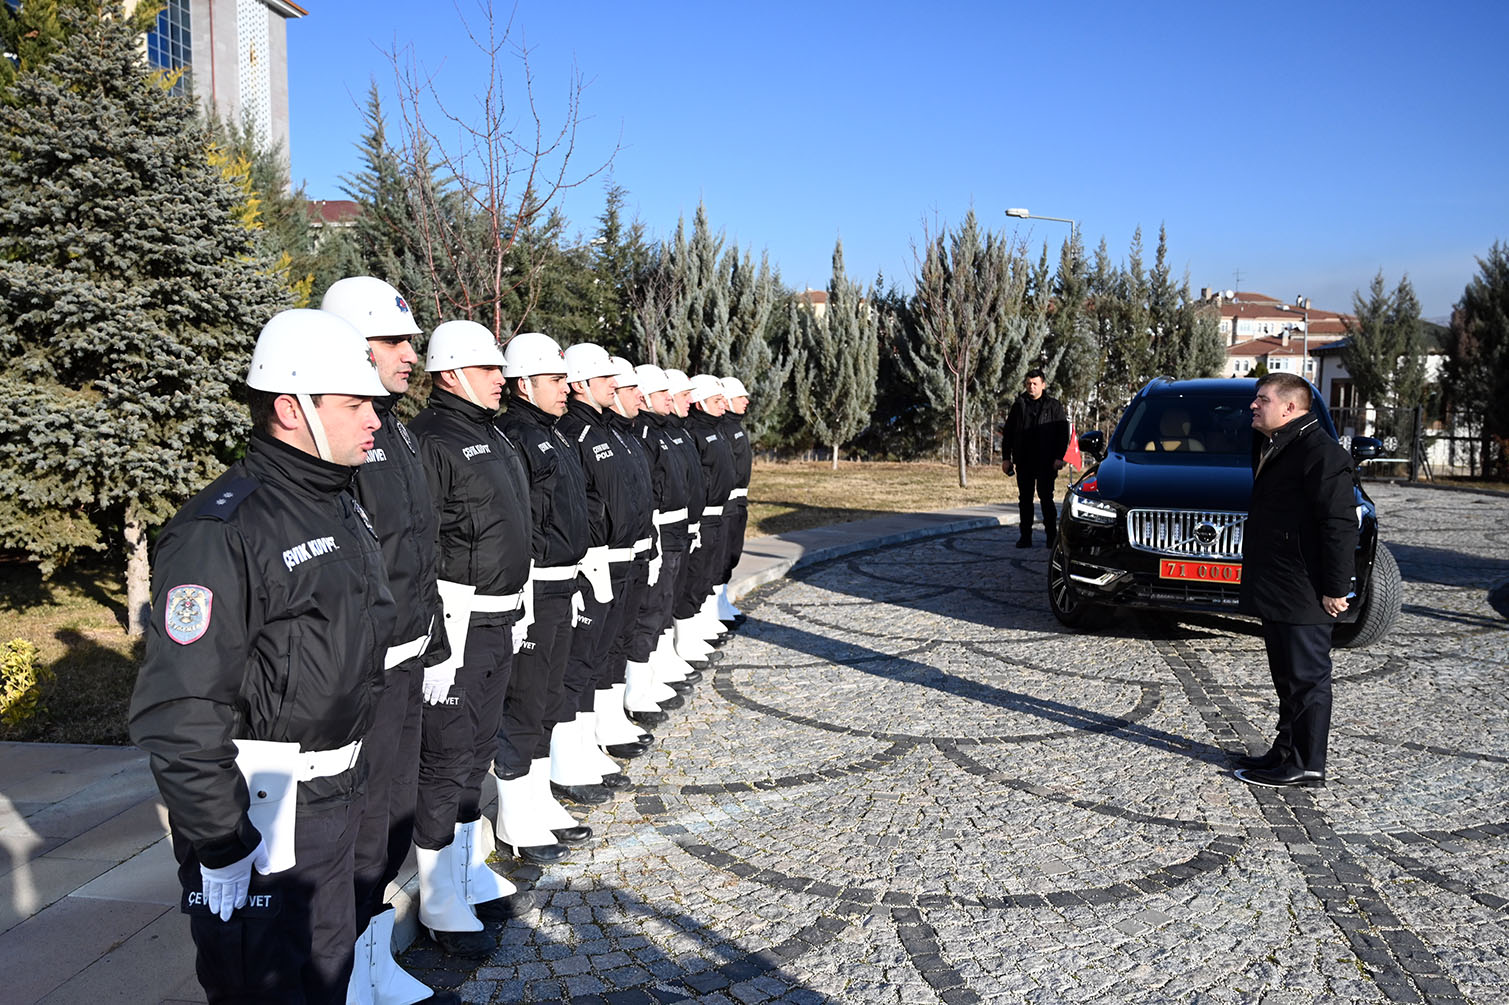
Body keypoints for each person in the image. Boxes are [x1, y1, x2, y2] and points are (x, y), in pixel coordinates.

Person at [129, 309, 395, 1004]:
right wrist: (220, 840)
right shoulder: (221, 529)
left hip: (336, 796)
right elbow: (182, 705)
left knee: (327, 974)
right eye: (355, 402)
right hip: (264, 813)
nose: (376, 418)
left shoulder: (337, 502)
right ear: (290, 407)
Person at [319, 277, 457, 1001]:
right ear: (352, 345)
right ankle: (345, 976)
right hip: (366, 668)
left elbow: (418, 546)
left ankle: (374, 962)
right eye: (395, 342)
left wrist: (431, 641)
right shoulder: (343, 436)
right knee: (361, 824)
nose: (411, 354)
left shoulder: (392, 427)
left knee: (392, 815)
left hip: (407, 654)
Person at [406, 319, 536, 956]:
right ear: (453, 372)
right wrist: (435, 635)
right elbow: (422, 543)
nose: (501, 380)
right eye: (489, 370)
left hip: (498, 617)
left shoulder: (490, 434)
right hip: (458, 624)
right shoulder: (431, 438)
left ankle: (461, 873)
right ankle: (435, 894)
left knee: (476, 750)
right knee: (447, 757)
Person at [1234, 373, 1358, 788]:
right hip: (1279, 584)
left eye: (1262, 400)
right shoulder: (1274, 444)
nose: (1254, 405)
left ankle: (1307, 763)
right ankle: (1285, 751)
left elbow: (1339, 525)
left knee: (1308, 680)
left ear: (1290, 408)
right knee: (1286, 677)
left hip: (1306, 587)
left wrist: (1336, 587)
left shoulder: (1321, 453)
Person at [493, 332, 590, 861]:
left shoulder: (552, 433)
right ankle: (514, 814)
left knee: (549, 697)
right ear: (524, 384)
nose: (566, 389)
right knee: (525, 702)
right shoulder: (516, 436)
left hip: (562, 580)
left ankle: (538, 796)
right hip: (535, 584)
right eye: (556, 381)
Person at [1001, 369, 1070, 549]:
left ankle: (1051, 537)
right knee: (1025, 499)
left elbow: (1063, 434)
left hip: (1047, 461)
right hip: (1024, 460)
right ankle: (1025, 536)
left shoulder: (1053, 406)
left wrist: (1059, 457)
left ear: (1043, 385)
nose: (1031, 387)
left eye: (1035, 384)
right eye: (1028, 384)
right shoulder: (1019, 405)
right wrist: (1006, 458)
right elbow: (1008, 433)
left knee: (1046, 498)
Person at [715, 376, 753, 624]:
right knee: (721, 557)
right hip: (727, 500)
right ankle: (716, 606)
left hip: (739, 499)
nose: (746, 401)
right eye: (741, 397)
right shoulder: (724, 429)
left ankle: (722, 600)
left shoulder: (734, 426)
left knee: (731, 556)